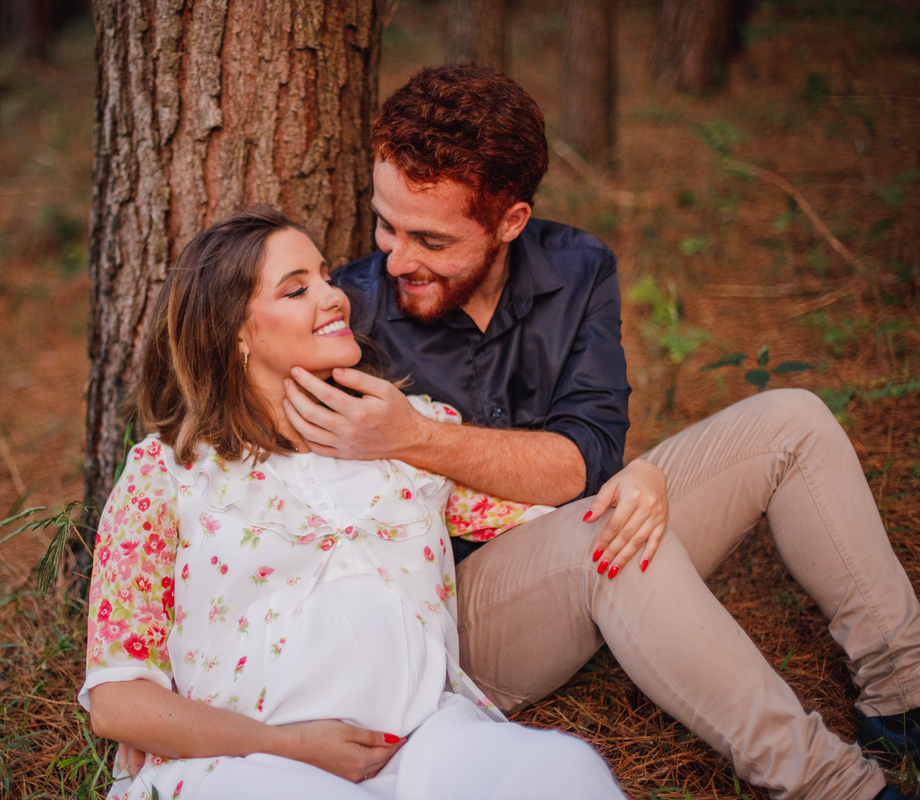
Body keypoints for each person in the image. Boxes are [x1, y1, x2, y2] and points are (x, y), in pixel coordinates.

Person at [276, 64, 920, 800]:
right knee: (606, 533)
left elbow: (585, 459)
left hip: (576, 525)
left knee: (793, 421)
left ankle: (904, 692)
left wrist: (417, 437)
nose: (396, 258)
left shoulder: (577, 268)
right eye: (384, 223)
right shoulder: (342, 318)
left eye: (429, 237)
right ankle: (833, 786)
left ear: (510, 222)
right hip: (453, 609)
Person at [79, 209, 625, 800]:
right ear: (235, 331)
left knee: (565, 771)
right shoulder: (168, 474)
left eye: (324, 276)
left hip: (427, 748)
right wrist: (288, 747)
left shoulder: (405, 437)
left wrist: (634, 484)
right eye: (297, 288)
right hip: (250, 766)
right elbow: (116, 700)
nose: (333, 296)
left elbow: (559, 519)